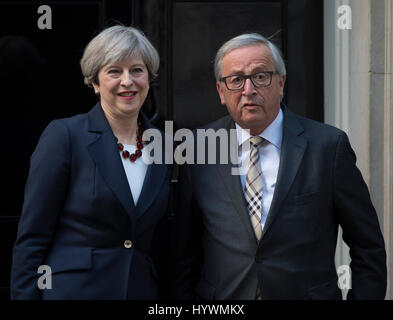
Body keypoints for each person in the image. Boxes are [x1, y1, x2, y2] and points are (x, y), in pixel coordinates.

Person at [170, 33, 387, 300]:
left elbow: (368, 247)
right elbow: (182, 256)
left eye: (261, 76)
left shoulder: (327, 147)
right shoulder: (198, 149)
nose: (248, 90)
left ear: (281, 83)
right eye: (236, 80)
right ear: (221, 92)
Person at [10, 25, 171, 299]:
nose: (127, 81)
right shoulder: (65, 136)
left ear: (149, 78)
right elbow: (33, 237)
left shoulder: (165, 145)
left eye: (136, 70)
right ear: (95, 83)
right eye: (114, 71)